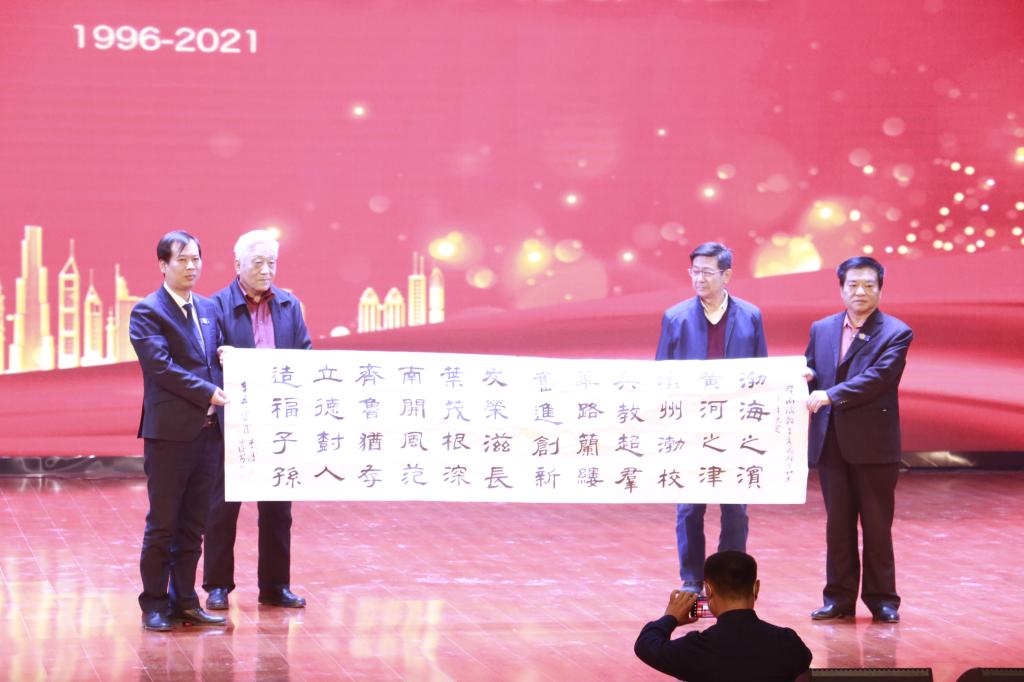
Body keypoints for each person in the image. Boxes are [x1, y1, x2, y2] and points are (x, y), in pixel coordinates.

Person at [203, 229, 312, 611]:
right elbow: (204, 362)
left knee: (278, 508)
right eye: (258, 263)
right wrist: (223, 358)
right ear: (238, 265)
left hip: (277, 420)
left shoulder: (289, 305)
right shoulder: (215, 306)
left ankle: (275, 586)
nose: (266, 271)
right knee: (222, 506)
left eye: (272, 263)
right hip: (232, 421)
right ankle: (218, 586)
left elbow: (304, 354)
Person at [129, 230, 228, 632]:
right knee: (163, 524)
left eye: (195, 259)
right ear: (163, 265)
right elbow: (161, 368)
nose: (191, 267)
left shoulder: (208, 308)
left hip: (208, 432)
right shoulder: (147, 311)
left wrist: (227, 356)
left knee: (193, 524)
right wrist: (207, 391)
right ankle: (154, 604)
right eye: (182, 260)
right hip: (170, 435)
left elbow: (213, 358)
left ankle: (185, 601)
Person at [804, 256, 912, 624]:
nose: (860, 292)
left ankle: (883, 600)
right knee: (838, 525)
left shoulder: (896, 332)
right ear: (841, 288)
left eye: (869, 285)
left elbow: (879, 378)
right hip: (831, 442)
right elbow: (812, 367)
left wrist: (830, 394)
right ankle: (838, 598)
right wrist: (804, 374)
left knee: (877, 527)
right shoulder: (822, 328)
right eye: (853, 284)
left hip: (874, 445)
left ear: (880, 289)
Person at [655, 242, 767, 594]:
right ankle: (691, 579)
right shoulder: (675, 317)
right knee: (690, 508)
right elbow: (661, 374)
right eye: (694, 272)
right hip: (690, 428)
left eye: (706, 272)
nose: (699, 279)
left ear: (726, 275)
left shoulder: (750, 315)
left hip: (735, 429)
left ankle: (729, 579)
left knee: (735, 510)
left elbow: (763, 371)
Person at [635, 550, 812, 681]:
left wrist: (670, 618)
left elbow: (646, 645)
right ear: (756, 588)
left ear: (708, 590)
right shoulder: (788, 642)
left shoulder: (695, 648)